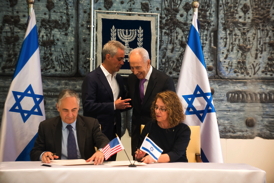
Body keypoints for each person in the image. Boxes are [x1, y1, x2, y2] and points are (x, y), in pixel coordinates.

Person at [30, 89, 109, 165]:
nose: (70, 115)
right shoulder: (46, 126)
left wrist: (101, 152)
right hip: (57, 171)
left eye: (74, 110)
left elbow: (105, 142)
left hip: (84, 169)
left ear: (78, 107)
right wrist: (43, 154)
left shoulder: (91, 124)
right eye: (65, 110)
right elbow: (35, 152)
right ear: (58, 107)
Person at [82, 40, 131, 161]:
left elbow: (123, 101)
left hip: (114, 132)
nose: (122, 62)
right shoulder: (92, 78)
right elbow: (88, 105)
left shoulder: (119, 78)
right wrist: (113, 106)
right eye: (119, 59)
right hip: (97, 133)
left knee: (110, 169)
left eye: (123, 59)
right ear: (108, 57)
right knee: (96, 168)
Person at [127, 47, 175, 157]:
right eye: (132, 68)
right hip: (137, 133)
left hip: (157, 134)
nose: (135, 72)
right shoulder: (131, 79)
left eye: (138, 67)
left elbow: (171, 109)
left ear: (148, 63)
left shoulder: (164, 81)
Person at [135, 91, 190, 163]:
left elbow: (176, 154)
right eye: (156, 107)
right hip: (153, 169)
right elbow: (141, 150)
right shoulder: (150, 126)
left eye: (162, 109)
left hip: (177, 167)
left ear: (172, 111)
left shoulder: (183, 130)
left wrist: (154, 158)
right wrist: (139, 156)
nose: (157, 111)